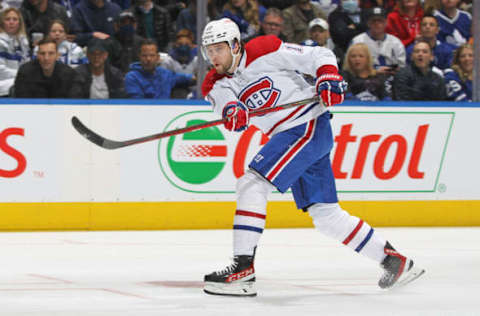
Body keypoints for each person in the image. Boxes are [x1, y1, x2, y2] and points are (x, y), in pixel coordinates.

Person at [200, 17, 425, 297]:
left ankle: (242, 270)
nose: (213, 56)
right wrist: (232, 111)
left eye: (218, 48)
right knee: (326, 215)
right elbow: (226, 105)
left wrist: (328, 75)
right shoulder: (214, 83)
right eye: (208, 50)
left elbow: (319, 55)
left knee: (252, 182)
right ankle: (393, 261)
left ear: (235, 45)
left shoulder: (264, 49)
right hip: (297, 136)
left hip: (307, 126)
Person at [124, 39, 194, 98]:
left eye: (152, 55)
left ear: (158, 57)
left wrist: (196, 77)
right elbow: (137, 104)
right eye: (144, 55)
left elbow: (185, 78)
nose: (148, 59)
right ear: (139, 57)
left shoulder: (165, 74)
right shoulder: (132, 77)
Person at [13, 38, 83, 97]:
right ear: (37, 55)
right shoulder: (25, 72)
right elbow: (22, 102)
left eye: (51, 53)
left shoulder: (69, 74)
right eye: (42, 53)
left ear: (57, 55)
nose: (46, 58)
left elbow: (72, 103)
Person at [0, 8, 29, 96]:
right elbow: (1, 71)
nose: (11, 22)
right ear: (2, 22)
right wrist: (21, 75)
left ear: (19, 23)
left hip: (18, 81)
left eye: (15, 19)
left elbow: (27, 65)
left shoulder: (23, 41)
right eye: (8, 19)